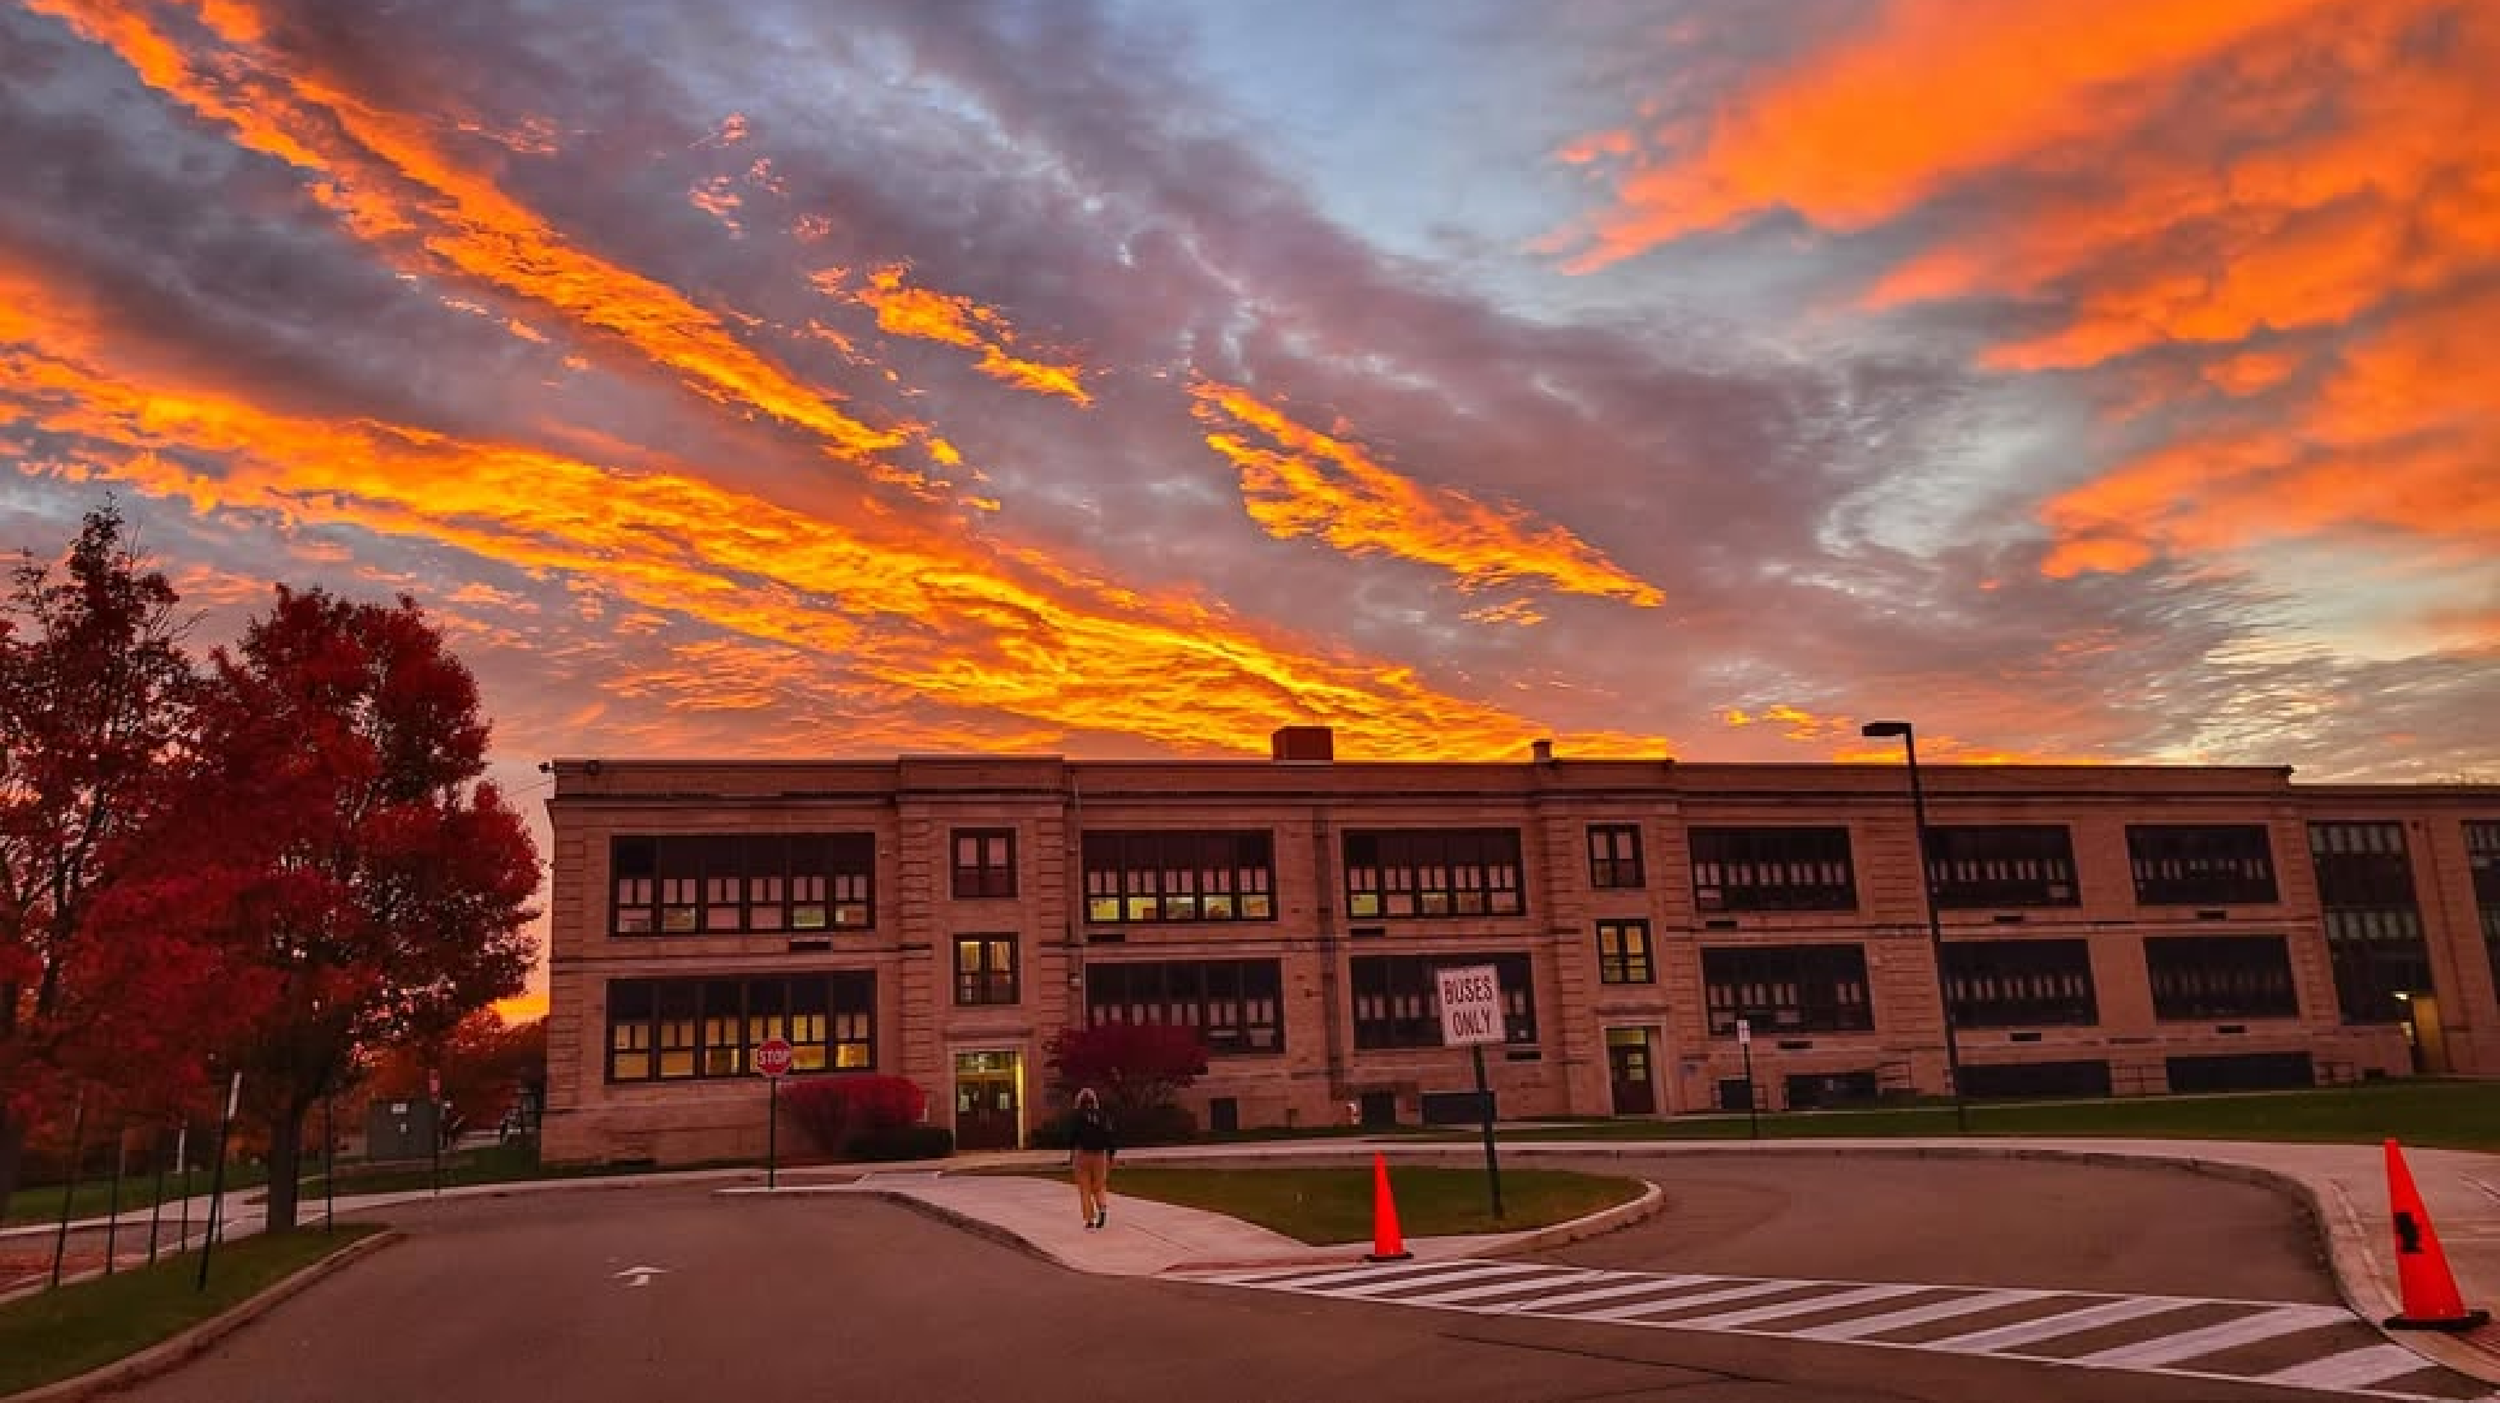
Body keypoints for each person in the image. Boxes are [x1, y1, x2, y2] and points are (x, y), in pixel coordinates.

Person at [1067, 1088, 1117, 1229]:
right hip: (1100, 1154)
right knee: (1099, 1185)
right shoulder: (1103, 1116)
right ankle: (1102, 1208)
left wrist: (1071, 1153)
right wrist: (1111, 1154)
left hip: (1082, 1154)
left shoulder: (1076, 1117)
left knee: (1084, 1188)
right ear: (1095, 1101)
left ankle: (1089, 1219)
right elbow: (1109, 1136)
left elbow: (1072, 1137)